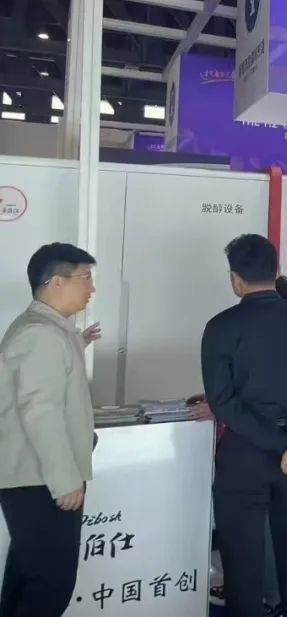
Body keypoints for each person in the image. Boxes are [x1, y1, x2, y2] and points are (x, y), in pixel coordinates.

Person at [203, 236, 287, 617]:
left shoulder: (221, 328)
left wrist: (278, 443)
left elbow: (222, 402)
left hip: (244, 452)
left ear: (235, 279)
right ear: (277, 270)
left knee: (242, 552)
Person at [0, 243, 98, 617]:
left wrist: (80, 340)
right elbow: (41, 411)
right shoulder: (41, 334)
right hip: (40, 481)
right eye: (85, 278)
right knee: (49, 587)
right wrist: (64, 480)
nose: (91, 288)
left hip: (36, 480)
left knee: (27, 580)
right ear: (57, 282)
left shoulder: (48, 328)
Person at [202, 275, 287, 617]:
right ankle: (268, 596)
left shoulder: (242, 330)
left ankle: (267, 597)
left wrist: (222, 407)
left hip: (260, 448)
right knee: (274, 528)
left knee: (258, 530)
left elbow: (252, 395)